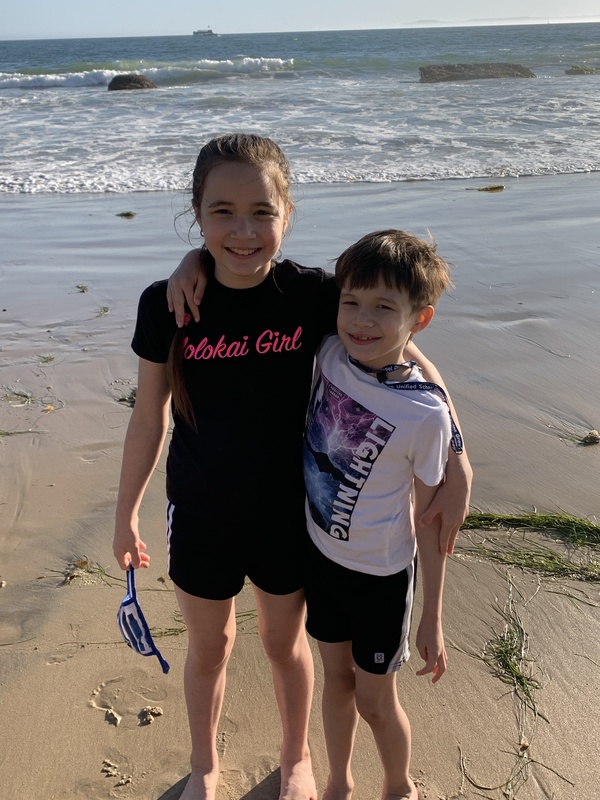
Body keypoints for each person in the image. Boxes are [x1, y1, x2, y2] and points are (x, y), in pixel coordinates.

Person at [114, 133, 470, 800]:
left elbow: (402, 349)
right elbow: (147, 415)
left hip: (288, 517)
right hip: (199, 511)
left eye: (261, 212)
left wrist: (457, 452)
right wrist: (126, 513)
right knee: (210, 648)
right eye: (221, 212)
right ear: (196, 213)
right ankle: (204, 766)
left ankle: (296, 757)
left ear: (288, 213)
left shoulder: (312, 295)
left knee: (284, 645)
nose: (243, 231)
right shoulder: (168, 304)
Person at [303, 229, 457, 800]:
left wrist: (432, 618)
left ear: (420, 319)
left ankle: (398, 786)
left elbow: (432, 520)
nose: (361, 321)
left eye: (384, 308)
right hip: (320, 559)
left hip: (382, 577)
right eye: (352, 302)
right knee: (336, 684)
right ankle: (338, 781)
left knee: (375, 700)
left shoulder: (424, 414)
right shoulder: (330, 353)